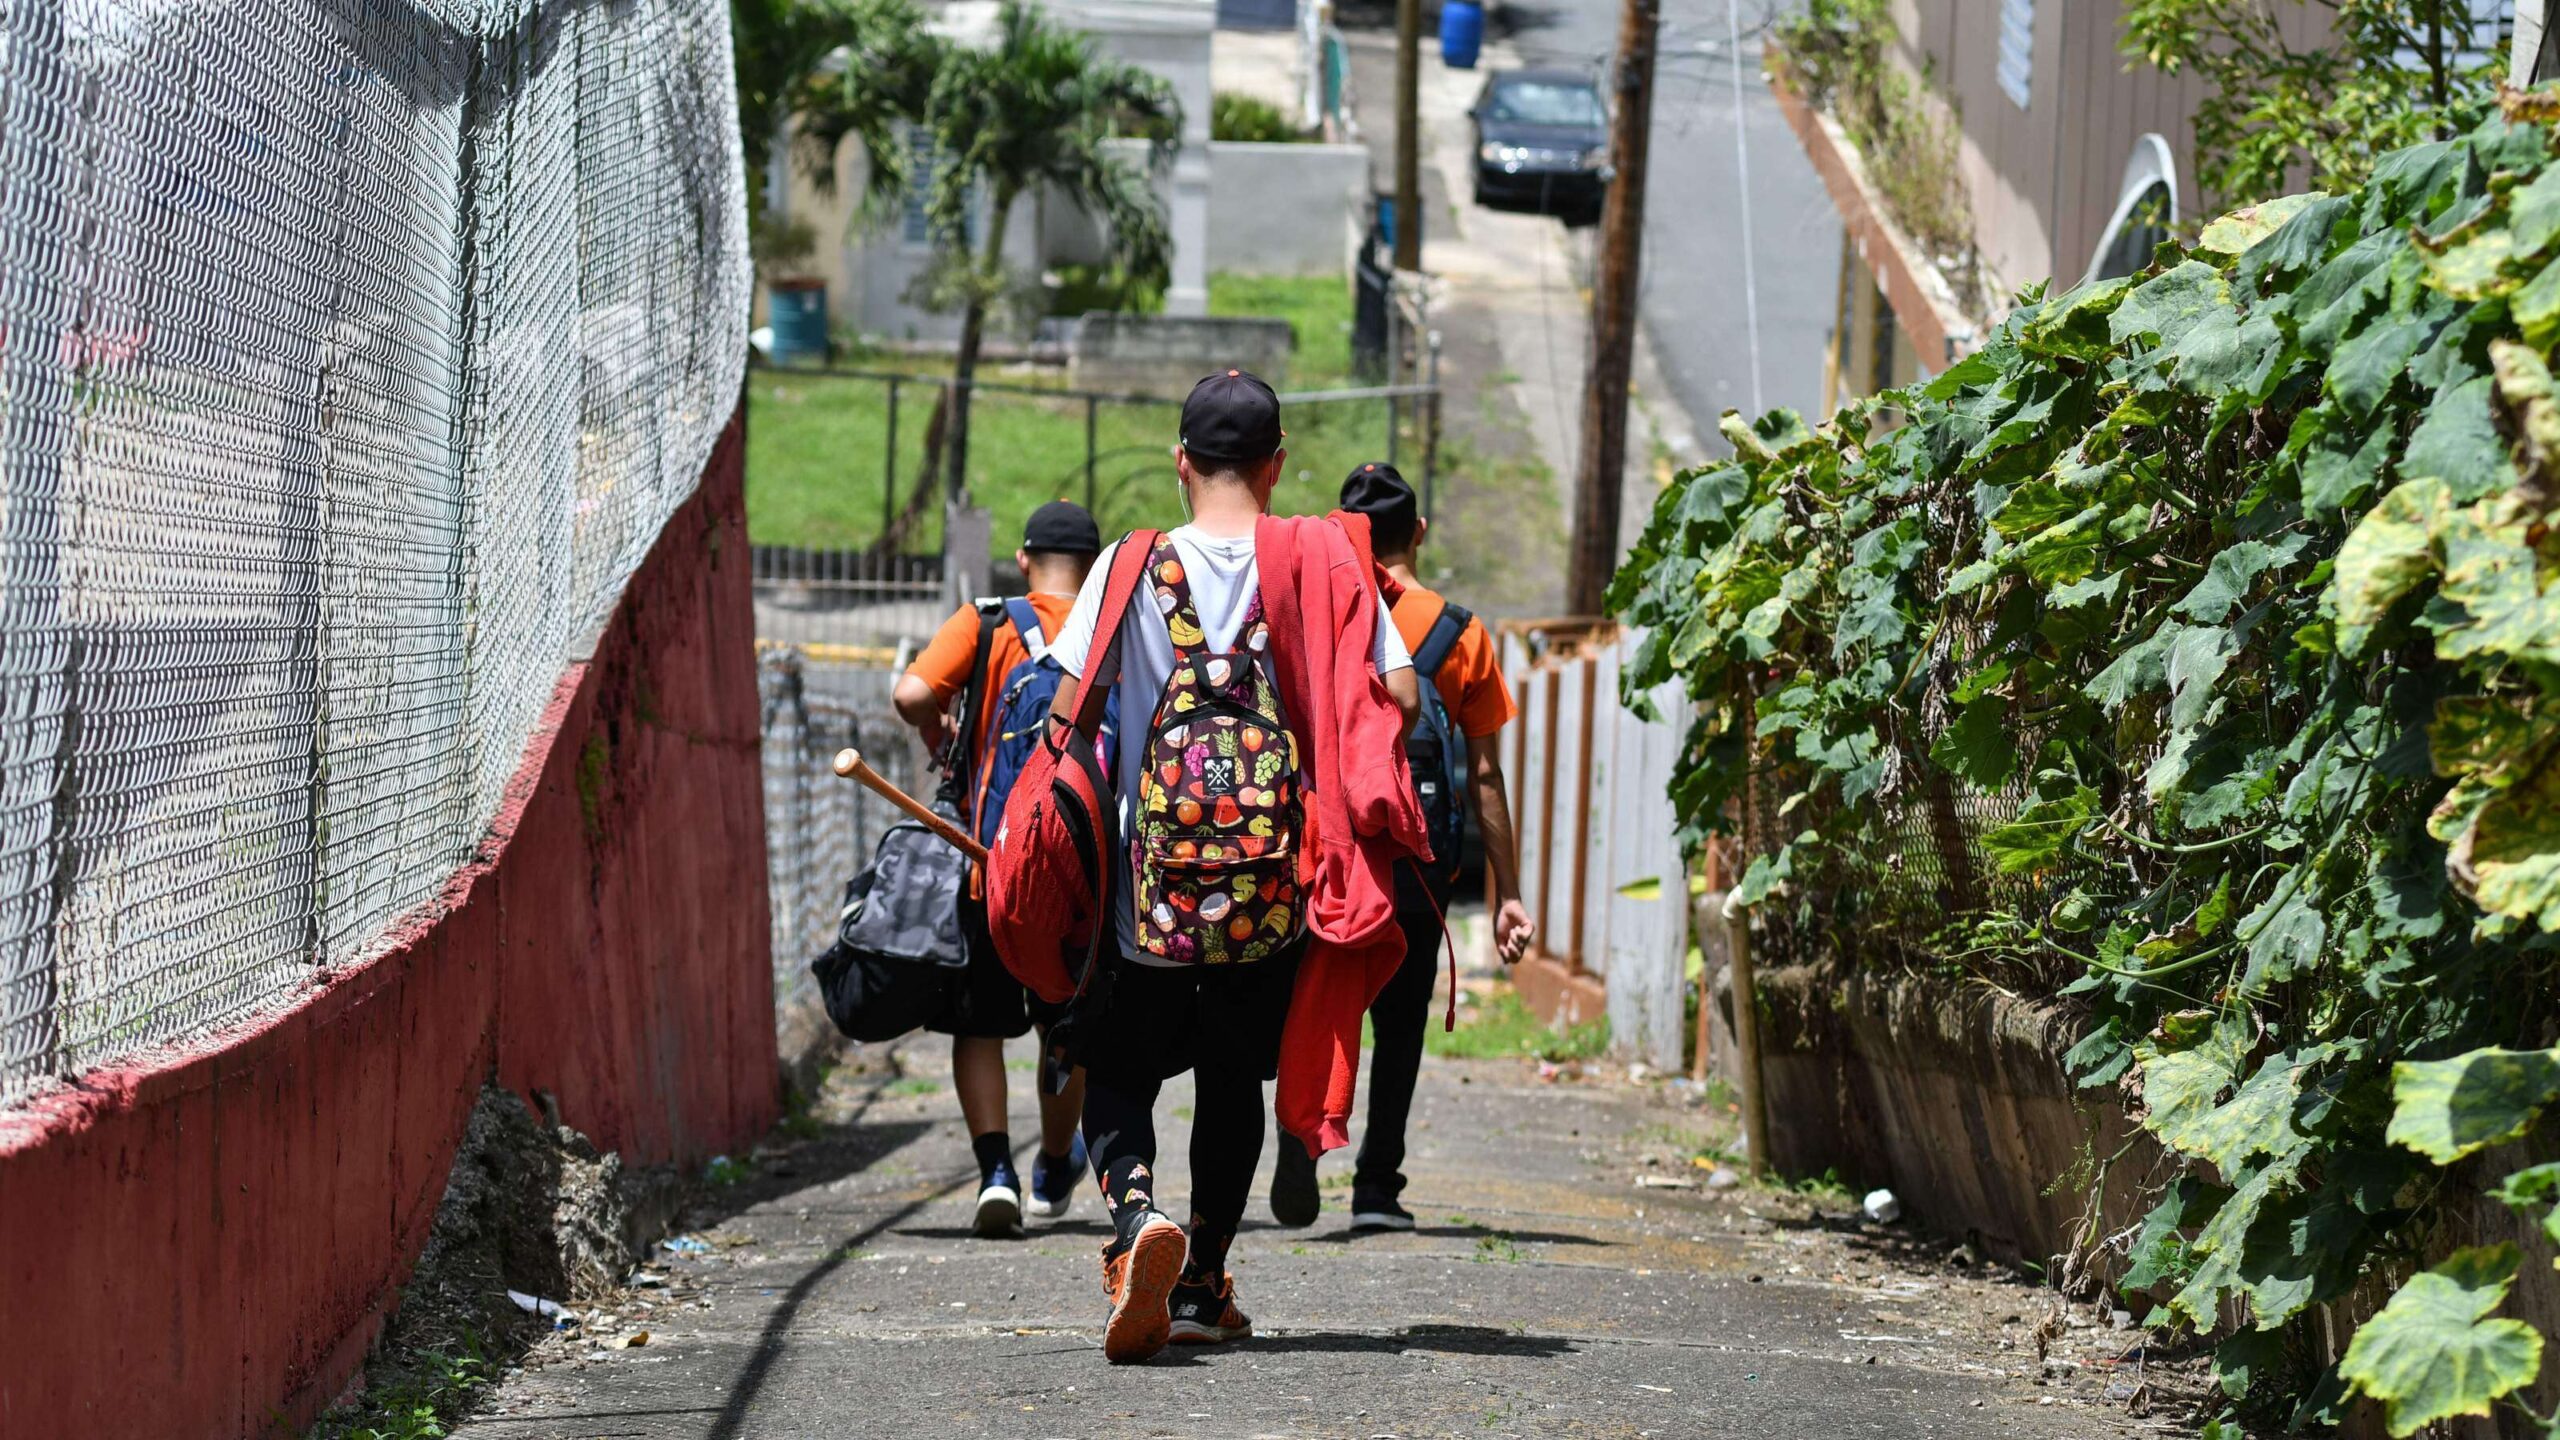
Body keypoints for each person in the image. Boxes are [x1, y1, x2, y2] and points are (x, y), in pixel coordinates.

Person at [1041, 370, 1423, 1363]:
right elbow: (1403, 697)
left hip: (1151, 892)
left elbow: (1062, 715)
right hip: (1271, 891)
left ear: (1180, 464)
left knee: (1118, 1069)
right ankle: (1205, 1276)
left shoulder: (1132, 564)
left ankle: (1135, 1223)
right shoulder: (1321, 559)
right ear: (1277, 465)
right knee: (1228, 1083)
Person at [1267, 462, 1537, 1234]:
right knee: (1401, 1022)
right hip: (1417, 858)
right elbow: (1484, 775)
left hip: (1323, 850)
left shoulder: (1312, 608)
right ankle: (1378, 1184)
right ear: (1419, 533)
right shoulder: (1461, 632)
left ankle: (1301, 1132)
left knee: (1317, 998)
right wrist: (1506, 890)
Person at [893, 500, 1105, 1237]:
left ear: (1024, 559)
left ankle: (996, 1175)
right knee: (1064, 1028)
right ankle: (1053, 1159)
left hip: (990, 865)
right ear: (1095, 560)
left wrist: (938, 731)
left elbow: (910, 693)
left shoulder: (987, 622)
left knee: (979, 1026)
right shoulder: (1109, 625)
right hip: (1077, 880)